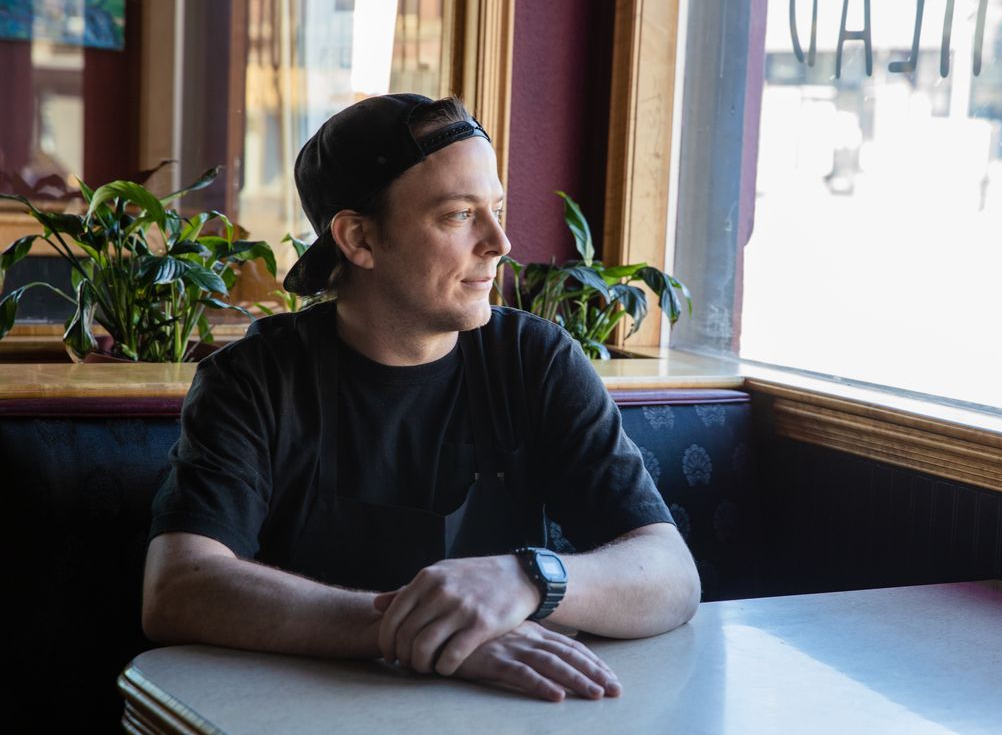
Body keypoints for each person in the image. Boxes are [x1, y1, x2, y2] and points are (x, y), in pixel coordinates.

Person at [141, 93, 701, 703]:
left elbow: (670, 576)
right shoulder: (253, 379)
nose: (500, 242)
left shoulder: (536, 361)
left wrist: (526, 579)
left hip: (509, 712)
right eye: (460, 215)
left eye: (497, 209)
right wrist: (432, 632)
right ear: (358, 238)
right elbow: (181, 588)